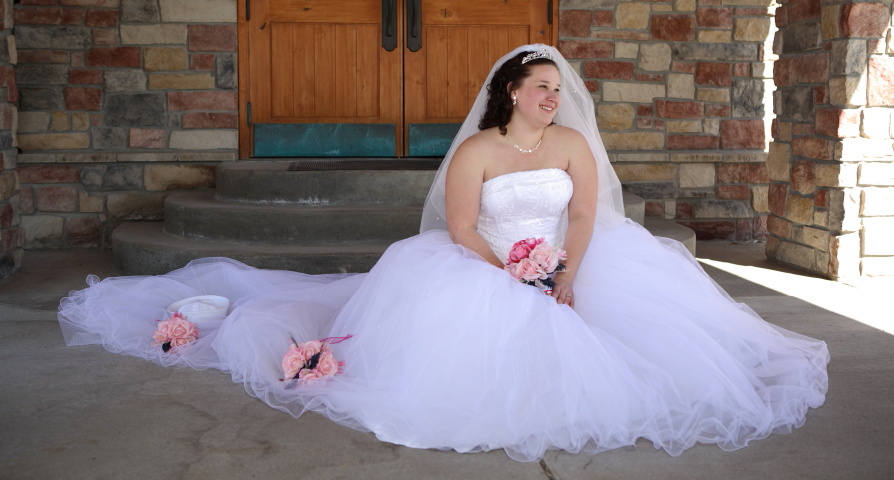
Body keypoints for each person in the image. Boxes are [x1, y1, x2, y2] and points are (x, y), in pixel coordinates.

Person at [58, 45, 829, 462]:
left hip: (574, 255)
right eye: (540, 88)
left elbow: (588, 210)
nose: (554, 99)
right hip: (485, 264)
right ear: (510, 93)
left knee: (662, 353)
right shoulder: (478, 153)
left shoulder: (571, 144)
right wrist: (515, 273)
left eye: (559, 88)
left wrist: (567, 271)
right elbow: (462, 230)